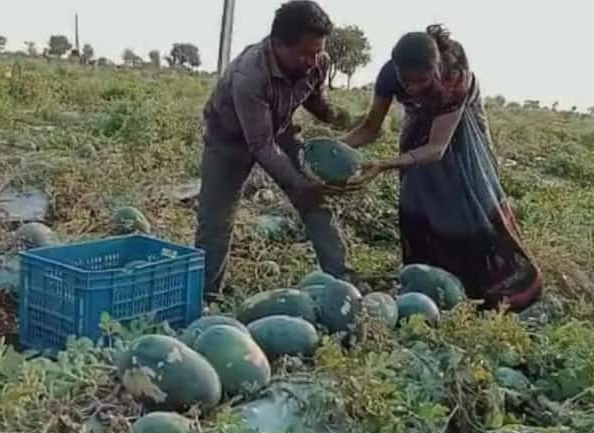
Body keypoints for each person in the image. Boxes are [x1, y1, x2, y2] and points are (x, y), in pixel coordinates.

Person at [341, 25, 542, 311]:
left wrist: (384, 165)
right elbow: (370, 128)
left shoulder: (454, 77)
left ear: (436, 69)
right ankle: (431, 283)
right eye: (406, 81)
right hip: (420, 121)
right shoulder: (389, 76)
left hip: (458, 127)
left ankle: (494, 288)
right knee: (418, 195)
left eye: (421, 81)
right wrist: (336, 147)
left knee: (469, 194)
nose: (411, 88)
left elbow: (436, 148)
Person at [196, 0, 357, 301]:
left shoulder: (316, 61)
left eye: (318, 51)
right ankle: (207, 297)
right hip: (228, 141)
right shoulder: (250, 74)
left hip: (279, 129)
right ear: (278, 44)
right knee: (216, 219)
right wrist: (297, 185)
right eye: (305, 54)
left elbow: (314, 99)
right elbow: (259, 144)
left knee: (316, 203)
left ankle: (345, 285)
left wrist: (339, 116)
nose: (314, 60)